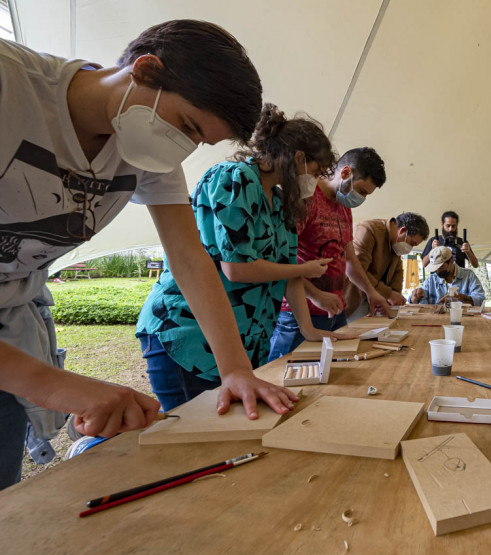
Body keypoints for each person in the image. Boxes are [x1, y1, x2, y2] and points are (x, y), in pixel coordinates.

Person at [0, 20, 281, 490]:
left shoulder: (145, 153)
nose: (184, 149)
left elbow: (189, 258)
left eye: (199, 143)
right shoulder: (11, 87)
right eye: (188, 127)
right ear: (145, 70)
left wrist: (235, 370)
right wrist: (63, 388)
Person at [136, 104, 345, 410]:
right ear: (298, 159)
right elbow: (236, 269)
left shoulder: (279, 201)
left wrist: (307, 329)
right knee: (193, 441)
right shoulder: (235, 180)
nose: (312, 182)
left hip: (239, 348)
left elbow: (288, 273)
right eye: (313, 172)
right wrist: (304, 268)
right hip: (190, 337)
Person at [267, 147, 390, 360]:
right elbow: (281, 259)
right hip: (299, 315)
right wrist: (315, 294)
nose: (361, 199)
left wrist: (370, 292)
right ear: (345, 173)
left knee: (335, 373)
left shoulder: (344, 208)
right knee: (283, 376)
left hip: (335, 311)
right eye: (361, 191)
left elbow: (350, 259)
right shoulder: (307, 198)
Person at [344, 212, 429, 320]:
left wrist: (395, 297)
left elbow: (398, 274)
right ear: (402, 230)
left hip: (375, 302)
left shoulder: (396, 245)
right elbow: (358, 269)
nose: (410, 248)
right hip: (353, 299)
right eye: (412, 243)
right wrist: (388, 294)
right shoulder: (368, 230)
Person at [411, 246, 485, 306]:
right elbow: (417, 301)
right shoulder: (431, 279)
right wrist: (416, 297)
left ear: (451, 261)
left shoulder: (468, 276)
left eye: (441, 267)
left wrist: (458, 297)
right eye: (435, 268)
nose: (438, 271)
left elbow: (480, 300)